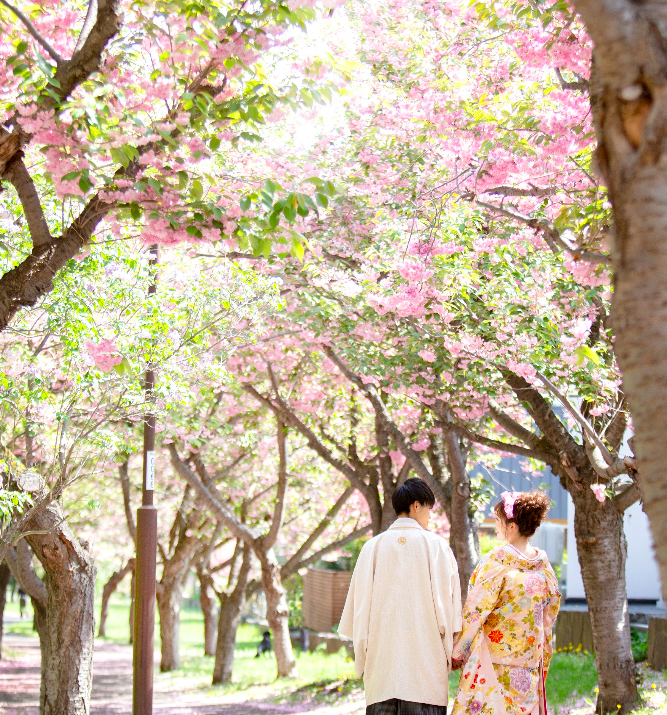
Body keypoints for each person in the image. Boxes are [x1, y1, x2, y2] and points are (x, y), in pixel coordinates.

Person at [339, 477, 462, 715]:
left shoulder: (372, 547)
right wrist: (452, 649)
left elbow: (359, 609)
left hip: (381, 671)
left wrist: (363, 656)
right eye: (429, 508)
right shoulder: (437, 546)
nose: (429, 515)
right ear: (417, 505)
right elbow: (449, 606)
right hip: (426, 670)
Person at [451, 490, 561, 715]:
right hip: (529, 661)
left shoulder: (496, 563)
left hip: (494, 661)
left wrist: (458, 651)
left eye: (498, 521)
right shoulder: (544, 568)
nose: (495, 525)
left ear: (512, 527)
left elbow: (475, 611)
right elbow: (550, 613)